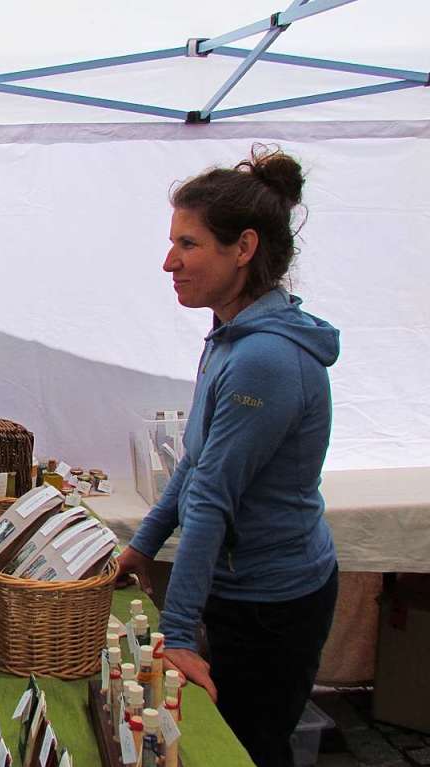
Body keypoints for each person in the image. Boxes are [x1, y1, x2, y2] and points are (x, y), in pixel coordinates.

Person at [117, 146, 339, 767]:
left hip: (274, 604)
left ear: (243, 248)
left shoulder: (264, 359)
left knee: (246, 748)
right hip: (243, 589)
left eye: (187, 244)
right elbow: (194, 461)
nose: (169, 262)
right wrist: (142, 544)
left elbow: (212, 497)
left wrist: (181, 637)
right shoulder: (230, 337)